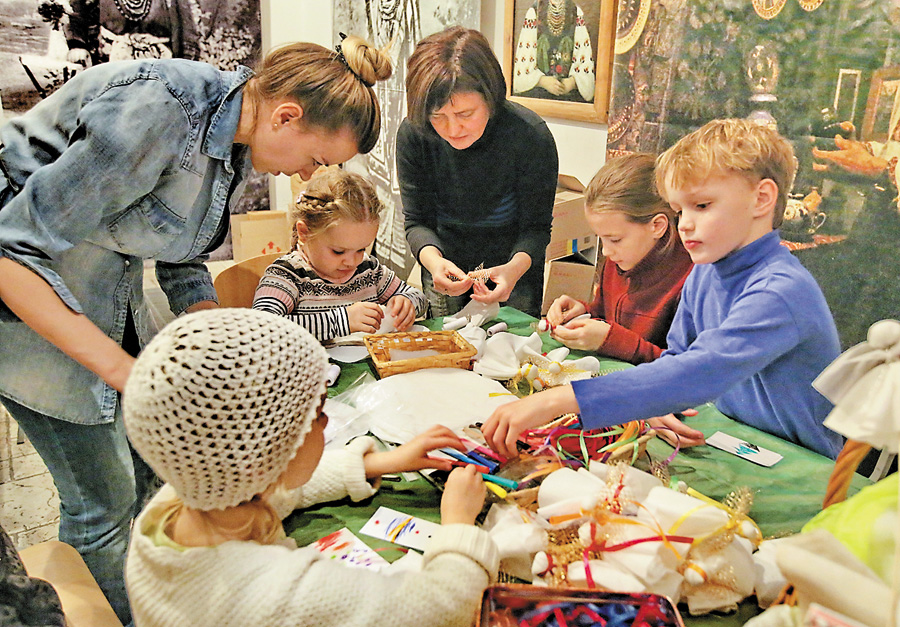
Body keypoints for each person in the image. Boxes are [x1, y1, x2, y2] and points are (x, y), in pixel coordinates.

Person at [0, 35, 392, 623]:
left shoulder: (235, 137)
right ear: (287, 117)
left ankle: (153, 590)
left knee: (145, 479)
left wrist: (217, 334)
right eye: (315, 159)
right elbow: (12, 251)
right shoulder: (159, 111)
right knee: (102, 500)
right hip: (31, 306)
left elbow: (180, 253)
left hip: (107, 292)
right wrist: (124, 370)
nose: (308, 174)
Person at [482, 119, 844, 460]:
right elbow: (676, 359)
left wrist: (555, 401)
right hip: (732, 440)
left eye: (702, 206)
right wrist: (654, 402)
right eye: (678, 210)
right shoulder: (706, 271)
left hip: (800, 460)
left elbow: (699, 372)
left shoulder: (779, 292)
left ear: (761, 199)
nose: (684, 224)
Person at [123, 308, 498, 625]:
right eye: (316, 414)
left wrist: (381, 462)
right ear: (269, 453)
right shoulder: (279, 595)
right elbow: (442, 608)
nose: (325, 424)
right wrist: (459, 525)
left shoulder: (178, 500)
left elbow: (276, 488)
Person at [397, 26, 558, 318]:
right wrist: (433, 262)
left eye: (465, 114)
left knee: (514, 355)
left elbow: (535, 228)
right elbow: (416, 221)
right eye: (438, 117)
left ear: (490, 98)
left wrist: (512, 270)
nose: (453, 130)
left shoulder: (528, 135)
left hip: (513, 269)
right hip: (445, 264)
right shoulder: (415, 133)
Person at [546, 153, 693, 364]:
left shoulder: (691, 278)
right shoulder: (619, 259)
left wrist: (612, 340)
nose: (605, 252)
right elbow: (607, 316)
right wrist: (583, 313)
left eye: (615, 239)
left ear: (657, 226)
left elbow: (687, 369)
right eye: (601, 239)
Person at [252, 167, 426, 341]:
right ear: (304, 233)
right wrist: (342, 321)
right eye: (338, 251)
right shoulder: (287, 275)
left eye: (361, 249)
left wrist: (407, 303)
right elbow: (262, 329)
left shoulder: (369, 270)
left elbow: (418, 297)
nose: (352, 262)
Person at [512, 0, 595, 102]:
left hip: (569, 99)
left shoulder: (575, 12)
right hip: (539, 96)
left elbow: (584, 59)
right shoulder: (535, 11)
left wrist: (571, 83)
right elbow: (523, 68)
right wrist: (542, 81)